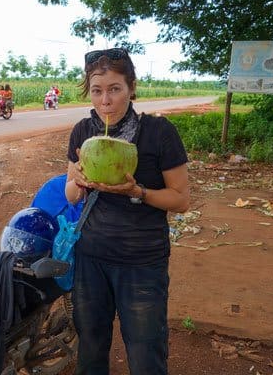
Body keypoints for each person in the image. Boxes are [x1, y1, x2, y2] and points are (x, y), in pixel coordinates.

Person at [64, 47, 190, 375]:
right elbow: (72, 196)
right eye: (97, 90)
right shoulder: (83, 133)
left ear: (131, 88)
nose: (105, 100)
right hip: (91, 257)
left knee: (145, 350)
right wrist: (78, 179)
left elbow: (181, 199)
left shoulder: (159, 133)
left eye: (115, 89)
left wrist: (138, 192)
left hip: (142, 260)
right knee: (90, 345)